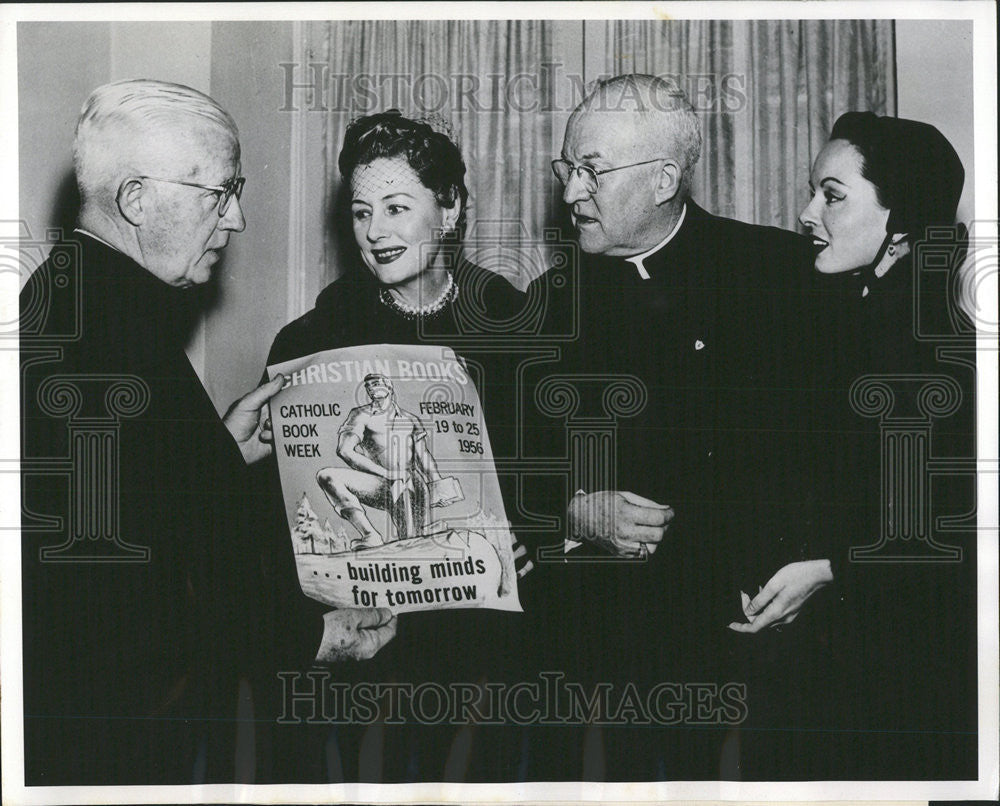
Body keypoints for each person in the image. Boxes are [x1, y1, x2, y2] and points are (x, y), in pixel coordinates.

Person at [19, 79, 396, 786]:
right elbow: (133, 604)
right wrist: (311, 636)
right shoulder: (108, 342)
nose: (238, 219)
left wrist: (219, 448)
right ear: (136, 199)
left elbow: (144, 505)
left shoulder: (74, 301)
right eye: (219, 194)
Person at [521, 73, 815, 780]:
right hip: (593, 651)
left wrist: (809, 568)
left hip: (752, 645)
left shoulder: (780, 276)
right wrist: (569, 510)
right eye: (568, 170)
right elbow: (500, 463)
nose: (570, 194)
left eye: (592, 172)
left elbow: (832, 455)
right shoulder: (543, 304)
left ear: (664, 179)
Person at [262, 110, 530, 782]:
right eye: (360, 212)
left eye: (396, 207)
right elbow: (278, 505)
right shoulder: (311, 340)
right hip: (361, 625)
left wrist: (532, 532)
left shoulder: (513, 325)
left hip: (480, 625)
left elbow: (546, 471)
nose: (375, 231)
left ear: (449, 210)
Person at [729, 112, 977, 779]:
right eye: (814, 191)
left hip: (893, 682)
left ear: (901, 217)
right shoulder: (871, 316)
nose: (809, 212)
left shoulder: (919, 345)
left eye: (832, 194)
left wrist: (828, 570)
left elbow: (946, 533)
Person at [317, 372, 461, 546]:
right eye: (368, 385)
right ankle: (370, 535)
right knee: (327, 476)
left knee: (410, 540)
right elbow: (345, 451)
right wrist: (387, 473)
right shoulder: (360, 415)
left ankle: (422, 532)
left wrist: (440, 487)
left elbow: (423, 456)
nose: (372, 387)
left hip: (412, 484)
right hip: (378, 482)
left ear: (389, 385)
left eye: (376, 383)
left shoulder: (410, 419)